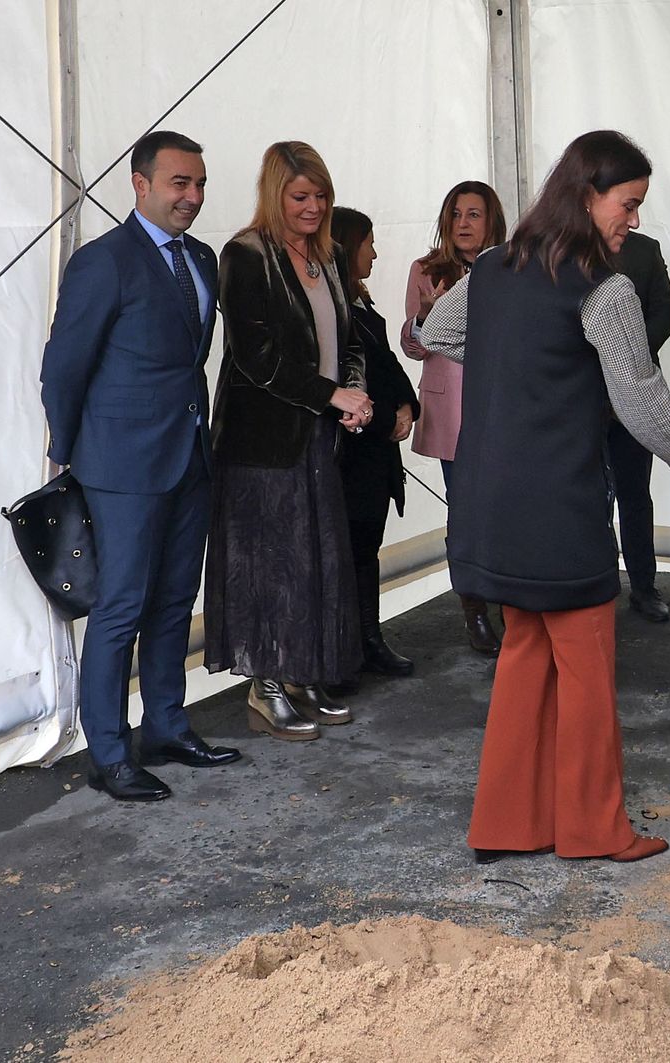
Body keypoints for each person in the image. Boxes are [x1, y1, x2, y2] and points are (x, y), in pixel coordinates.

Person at [417, 130, 670, 862]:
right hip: (559, 502)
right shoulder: (607, 290)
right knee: (584, 663)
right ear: (588, 198)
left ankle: (507, 824)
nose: (635, 219)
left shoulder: (493, 266)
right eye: (630, 203)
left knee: (526, 647)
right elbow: (641, 395)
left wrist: (518, 358)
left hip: (492, 499)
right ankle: (592, 829)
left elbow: (437, 331)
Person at [40, 130, 241, 802]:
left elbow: (191, 360)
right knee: (121, 606)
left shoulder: (204, 259)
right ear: (141, 183)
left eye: (201, 183)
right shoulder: (105, 261)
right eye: (180, 182)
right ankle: (110, 751)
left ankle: (166, 725)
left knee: (174, 600)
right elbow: (64, 366)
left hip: (189, 454)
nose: (193, 196)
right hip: (121, 463)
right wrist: (69, 450)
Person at [205, 141, 372, 740]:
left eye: (321, 195)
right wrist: (332, 397)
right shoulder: (246, 256)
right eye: (301, 196)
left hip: (318, 435)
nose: (313, 206)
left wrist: (353, 393)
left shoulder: (327, 257)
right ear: (274, 194)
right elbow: (257, 358)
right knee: (268, 564)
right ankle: (264, 682)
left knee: (313, 560)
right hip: (261, 441)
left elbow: (350, 340)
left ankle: (300, 672)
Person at [403, 181, 508, 656]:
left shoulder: (510, 266)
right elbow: (412, 346)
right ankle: (475, 611)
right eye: (457, 215)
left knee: (505, 507)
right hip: (451, 413)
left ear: (491, 222)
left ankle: (511, 598)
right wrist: (425, 319)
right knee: (464, 511)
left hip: (502, 409)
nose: (464, 224)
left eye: (474, 214)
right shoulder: (426, 271)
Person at [331, 206, 420, 683]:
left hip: (375, 457)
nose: (376, 253)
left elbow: (386, 365)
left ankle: (368, 640)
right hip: (352, 455)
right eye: (369, 243)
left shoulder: (360, 303)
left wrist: (408, 405)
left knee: (367, 550)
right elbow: (346, 380)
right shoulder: (333, 308)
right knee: (348, 553)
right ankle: (348, 649)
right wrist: (387, 417)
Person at [605, 230, 670, 622]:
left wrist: (626, 353)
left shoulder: (644, 249)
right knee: (586, 499)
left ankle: (644, 588)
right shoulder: (564, 247)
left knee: (635, 495)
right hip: (579, 399)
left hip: (633, 393)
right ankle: (594, 586)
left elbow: (667, 311)